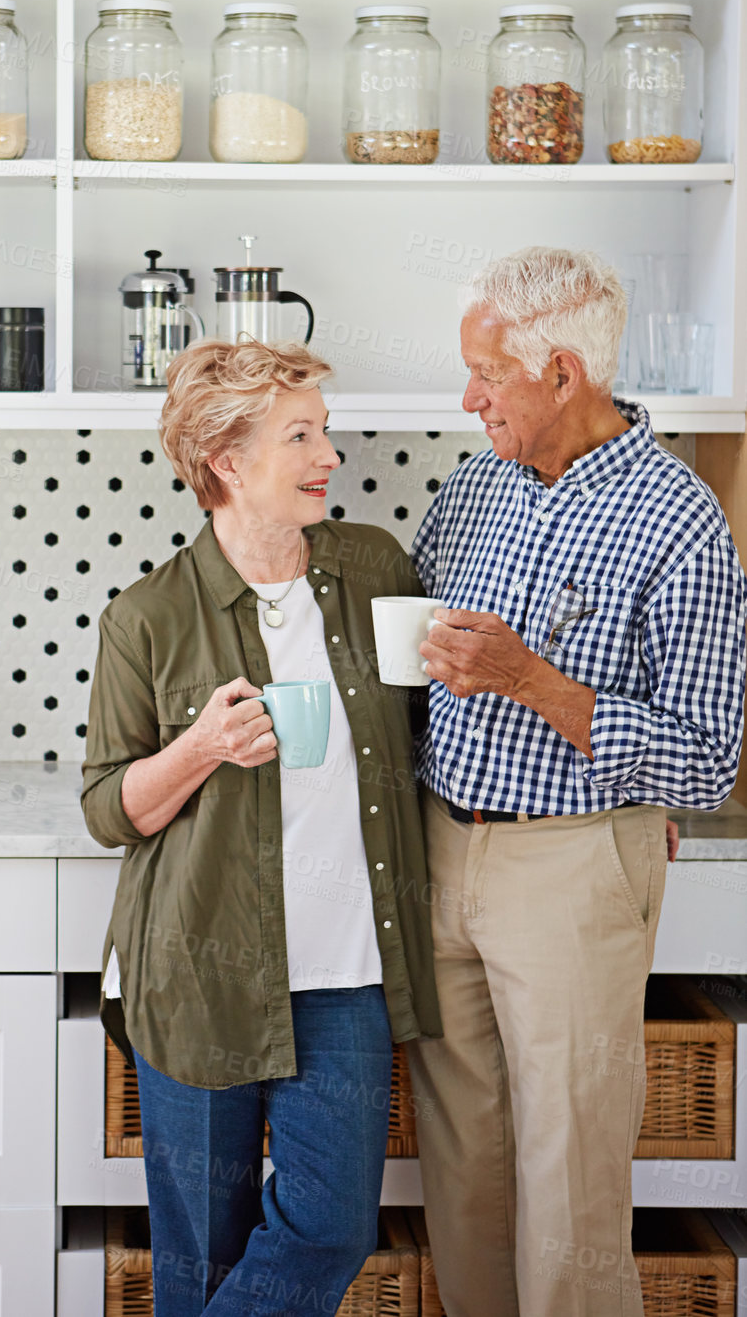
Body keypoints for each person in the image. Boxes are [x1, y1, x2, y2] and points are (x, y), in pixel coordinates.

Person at [408, 246, 747, 1317]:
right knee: (460, 1171)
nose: (467, 400)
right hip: (440, 844)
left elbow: (703, 754)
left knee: (569, 1178)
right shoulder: (471, 488)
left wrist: (530, 681)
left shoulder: (677, 518)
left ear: (560, 372)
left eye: (485, 376)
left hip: (569, 863)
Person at [81, 338, 440, 1317]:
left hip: (346, 973)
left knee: (331, 1224)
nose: (328, 452)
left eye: (321, 429)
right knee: (198, 1253)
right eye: (300, 434)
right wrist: (198, 748)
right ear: (225, 461)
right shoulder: (146, 617)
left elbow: (433, 724)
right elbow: (107, 807)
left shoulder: (371, 566)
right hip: (197, 971)